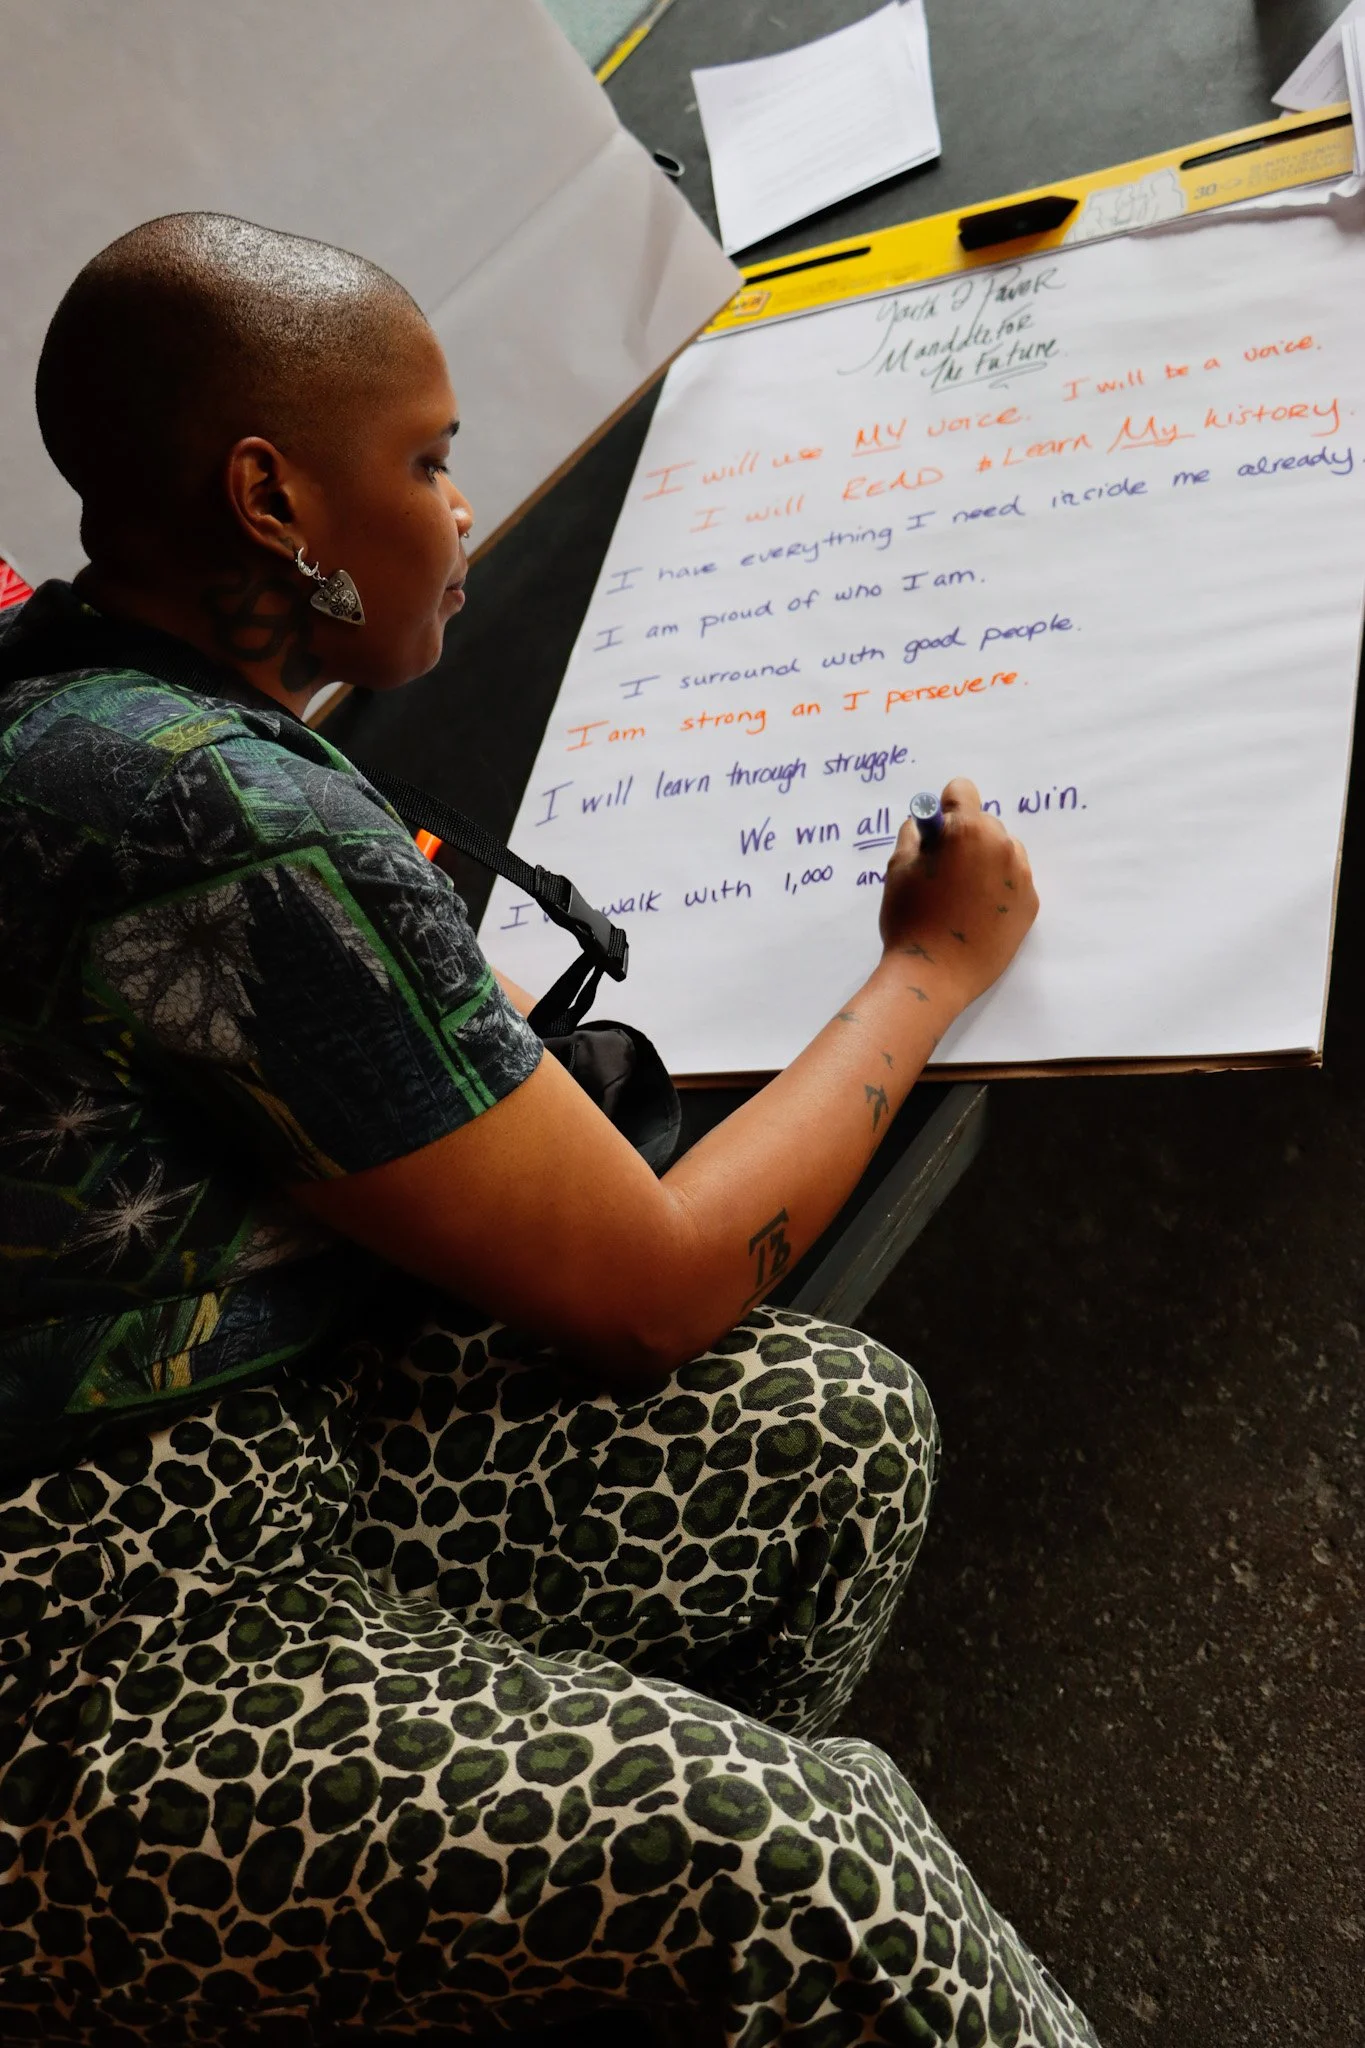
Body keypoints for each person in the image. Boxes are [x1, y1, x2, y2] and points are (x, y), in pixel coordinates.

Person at [0, 213, 1096, 2048]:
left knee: (833, 1429)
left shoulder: (89, 695)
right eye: (427, 462)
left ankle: (596, 1970)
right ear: (273, 501)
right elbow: (652, 1291)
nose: (455, 503)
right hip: (102, 1638)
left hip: (264, 1457)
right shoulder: (206, 813)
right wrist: (930, 971)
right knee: (801, 1859)